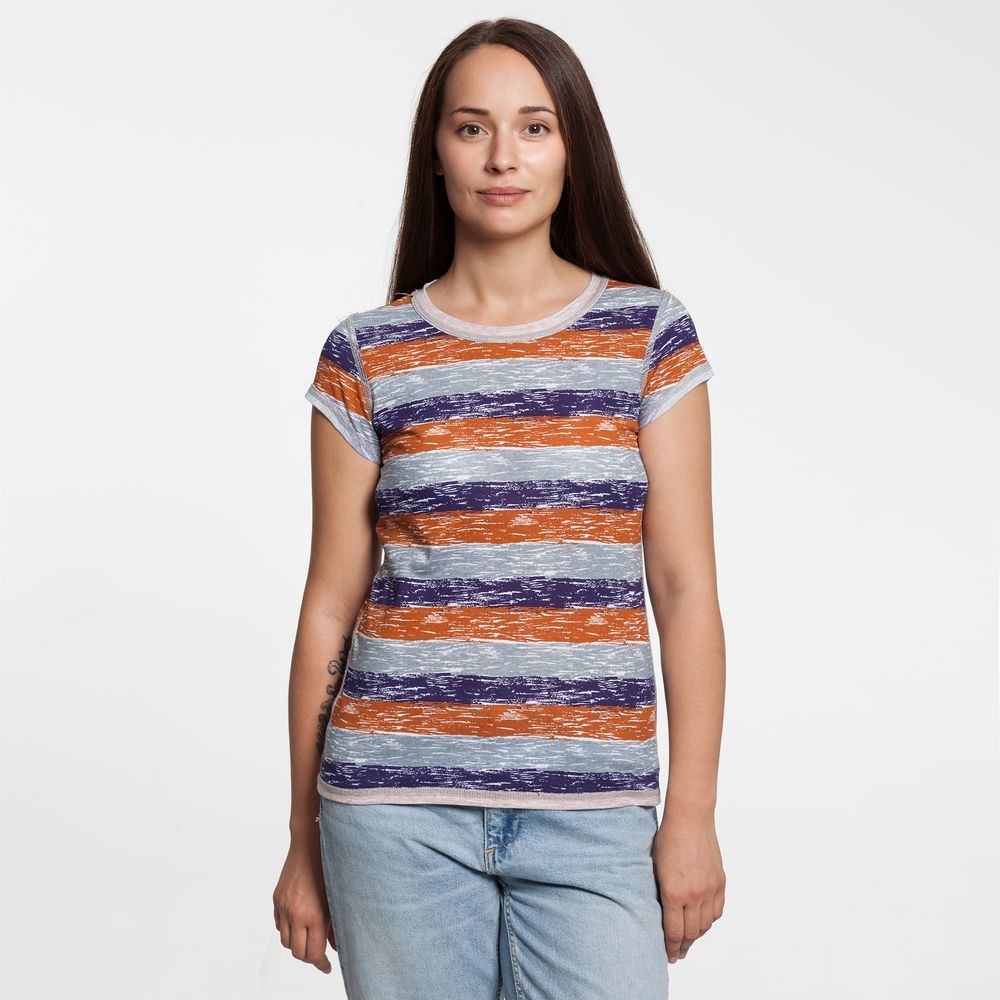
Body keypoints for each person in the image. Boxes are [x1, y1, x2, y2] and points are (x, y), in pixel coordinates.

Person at [273, 17, 726, 999]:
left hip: (595, 812)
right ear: (435, 151)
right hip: (391, 811)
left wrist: (690, 814)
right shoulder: (367, 353)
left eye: (535, 126)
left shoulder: (649, 337)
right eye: (472, 127)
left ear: (573, 149)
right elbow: (329, 605)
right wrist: (302, 841)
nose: (502, 157)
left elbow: (685, 588)